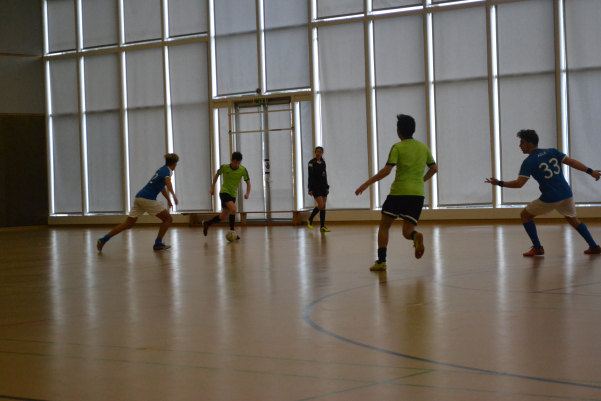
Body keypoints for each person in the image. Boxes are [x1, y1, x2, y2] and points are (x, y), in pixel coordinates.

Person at [486, 129, 600, 256]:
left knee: (525, 215)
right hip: (566, 193)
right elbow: (572, 162)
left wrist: (499, 183)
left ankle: (537, 247)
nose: (519, 146)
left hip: (551, 196)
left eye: (522, 142)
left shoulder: (529, 162)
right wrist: (591, 171)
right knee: (574, 220)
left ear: (530, 144)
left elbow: (519, 184)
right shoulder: (552, 151)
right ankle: (594, 246)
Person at [355, 114, 438, 271]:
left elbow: (387, 171)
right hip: (417, 194)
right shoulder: (423, 148)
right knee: (407, 231)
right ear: (413, 130)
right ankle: (415, 236)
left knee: (384, 226)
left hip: (398, 192)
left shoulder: (397, 147)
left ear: (398, 131)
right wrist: (421, 180)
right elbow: (434, 168)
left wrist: (366, 184)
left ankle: (381, 262)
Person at [97, 153, 179, 252]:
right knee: (168, 219)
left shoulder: (161, 169)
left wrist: (168, 199)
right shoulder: (168, 171)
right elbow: (168, 182)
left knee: (128, 224)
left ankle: (103, 240)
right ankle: (158, 244)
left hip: (139, 197)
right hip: (147, 198)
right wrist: (173, 195)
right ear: (174, 164)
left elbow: (161, 187)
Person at [203, 152, 250, 238]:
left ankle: (207, 223)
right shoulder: (224, 167)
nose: (237, 165)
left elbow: (248, 183)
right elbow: (216, 176)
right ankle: (232, 232)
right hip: (224, 192)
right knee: (233, 209)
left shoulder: (243, 170)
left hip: (233, 195)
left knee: (222, 217)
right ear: (231, 160)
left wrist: (247, 193)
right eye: (235, 162)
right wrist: (212, 187)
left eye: (239, 163)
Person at [307, 146, 330, 232]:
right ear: (315, 153)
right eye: (317, 152)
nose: (318, 153)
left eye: (320, 152)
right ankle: (310, 219)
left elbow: (324, 175)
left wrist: (327, 187)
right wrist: (310, 188)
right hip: (315, 186)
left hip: (323, 186)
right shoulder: (311, 163)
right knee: (320, 205)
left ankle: (322, 226)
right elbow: (310, 176)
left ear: (322, 153)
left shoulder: (323, 162)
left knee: (323, 207)